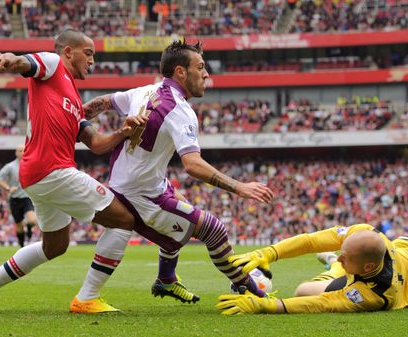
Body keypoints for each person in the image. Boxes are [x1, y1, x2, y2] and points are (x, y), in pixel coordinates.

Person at [0, 29, 147, 314]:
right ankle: (86, 298)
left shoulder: (74, 101)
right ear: (68, 51)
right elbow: (24, 63)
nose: (92, 61)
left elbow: (97, 144)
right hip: (52, 171)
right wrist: (7, 60)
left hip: (40, 175)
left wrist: (124, 132)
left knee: (55, 245)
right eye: (88, 53)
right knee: (123, 220)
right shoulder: (52, 64)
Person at [81, 39, 274, 303]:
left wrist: (72, 121)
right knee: (213, 229)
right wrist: (239, 187)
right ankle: (253, 292)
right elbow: (192, 164)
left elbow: (102, 102)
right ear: (181, 72)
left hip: (141, 182)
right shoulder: (180, 110)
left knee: (180, 214)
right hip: (138, 194)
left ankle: (166, 280)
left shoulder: (145, 91)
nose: (206, 74)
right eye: (201, 67)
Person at [216, 224, 408, 315]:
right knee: (304, 289)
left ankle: (331, 265)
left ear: (368, 266)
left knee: (303, 292)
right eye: (341, 254)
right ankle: (332, 263)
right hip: (398, 251)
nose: (343, 258)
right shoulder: (361, 231)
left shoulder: (374, 295)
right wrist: (268, 253)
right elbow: (312, 240)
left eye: (345, 257)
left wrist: (265, 305)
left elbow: (323, 303)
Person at [0, 144, 37, 247]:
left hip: (27, 197)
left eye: (24, 151)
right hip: (15, 199)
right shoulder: (10, 166)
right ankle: (22, 246)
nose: (22, 153)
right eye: (19, 151)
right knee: (19, 226)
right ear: (16, 153)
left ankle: (29, 226)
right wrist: (8, 188)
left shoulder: (32, 164)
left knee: (32, 220)